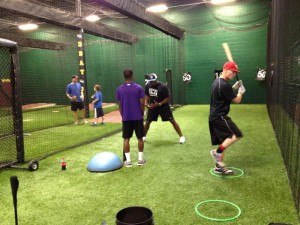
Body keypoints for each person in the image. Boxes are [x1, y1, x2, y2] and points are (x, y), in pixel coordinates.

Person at [209, 61, 246, 175]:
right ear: (225, 70)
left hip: (214, 117)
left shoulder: (218, 82)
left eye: (235, 73)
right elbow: (237, 100)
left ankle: (218, 166)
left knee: (223, 141)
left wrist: (234, 87)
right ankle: (217, 152)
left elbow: (225, 92)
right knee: (236, 135)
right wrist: (240, 91)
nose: (234, 74)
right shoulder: (224, 85)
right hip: (220, 116)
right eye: (233, 72)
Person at [144, 73, 185, 144]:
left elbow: (168, 97)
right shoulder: (148, 85)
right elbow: (147, 95)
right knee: (147, 122)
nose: (152, 82)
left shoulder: (162, 87)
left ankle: (181, 137)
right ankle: (143, 136)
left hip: (163, 106)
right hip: (153, 106)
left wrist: (159, 104)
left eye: (153, 81)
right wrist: (146, 103)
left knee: (172, 121)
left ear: (156, 80)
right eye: (151, 81)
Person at [116, 69, 146, 167]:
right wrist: (141, 113)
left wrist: (123, 115)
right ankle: (140, 160)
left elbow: (119, 106)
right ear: (132, 76)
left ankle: (128, 161)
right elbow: (142, 103)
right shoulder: (139, 88)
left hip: (126, 118)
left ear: (124, 76)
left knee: (126, 139)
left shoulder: (119, 89)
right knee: (140, 138)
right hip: (138, 117)